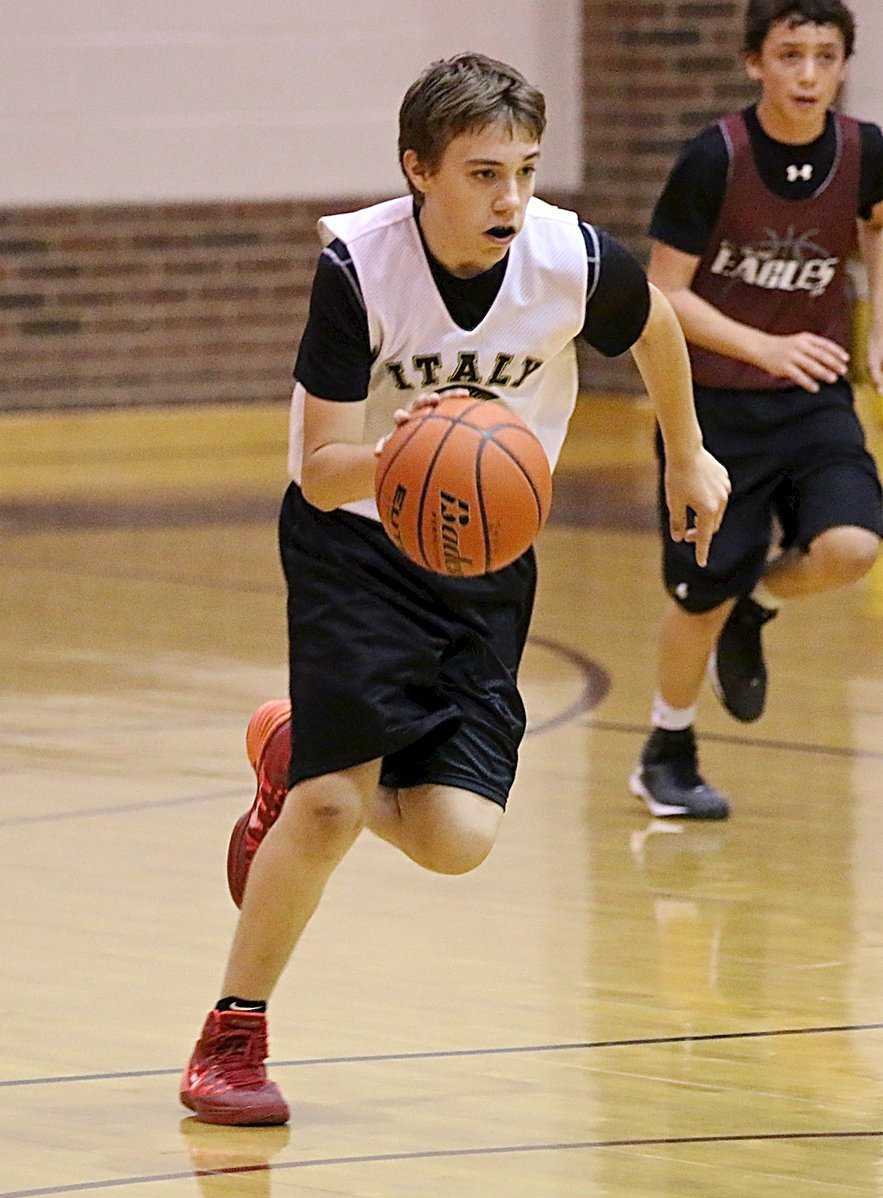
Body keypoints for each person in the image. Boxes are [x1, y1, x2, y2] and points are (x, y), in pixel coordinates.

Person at [180, 51, 730, 1126]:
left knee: (454, 842)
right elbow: (319, 462)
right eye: (482, 173)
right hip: (354, 547)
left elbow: (656, 323)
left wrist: (684, 453)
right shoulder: (358, 270)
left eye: (522, 169)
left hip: (484, 558)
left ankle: (288, 747)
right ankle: (229, 1040)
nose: (509, 198)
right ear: (418, 170)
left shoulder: (568, 256)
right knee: (334, 807)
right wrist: (412, 448)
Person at [629, 0, 883, 822]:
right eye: (788, 55)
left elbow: (874, 229)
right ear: (754, 63)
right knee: (698, 593)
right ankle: (666, 749)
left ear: (844, 63)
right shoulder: (715, 157)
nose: (807, 74)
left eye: (823, 55)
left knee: (850, 547)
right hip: (711, 411)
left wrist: (876, 322)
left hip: (812, 400)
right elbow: (662, 293)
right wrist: (762, 345)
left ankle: (757, 608)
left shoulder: (863, 151)